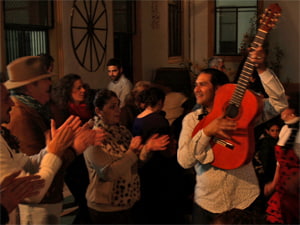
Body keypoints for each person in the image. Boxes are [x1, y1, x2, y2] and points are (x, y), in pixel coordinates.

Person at [177, 46, 288, 224]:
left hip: (245, 199)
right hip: (207, 204)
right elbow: (184, 161)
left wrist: (262, 69)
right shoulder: (191, 120)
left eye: (203, 84)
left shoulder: (246, 113)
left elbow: (280, 103)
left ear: (219, 89)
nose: (196, 89)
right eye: (196, 84)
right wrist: (207, 132)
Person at [2, 56, 105, 225]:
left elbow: (39, 156)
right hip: (38, 205)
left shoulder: (36, 109)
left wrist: (66, 143)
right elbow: (33, 178)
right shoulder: (21, 115)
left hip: (47, 198)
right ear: (30, 87)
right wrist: (72, 149)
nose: (50, 84)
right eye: (45, 79)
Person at [0, 82, 84, 224]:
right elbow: (33, 192)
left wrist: (51, 148)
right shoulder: (23, 115)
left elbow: (27, 163)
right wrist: (55, 153)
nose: (12, 104)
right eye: (5, 99)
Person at [83, 89, 170, 224]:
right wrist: (132, 153)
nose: (118, 110)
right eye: (112, 107)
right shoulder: (93, 137)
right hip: (106, 207)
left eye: (118, 105)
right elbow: (109, 173)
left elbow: (135, 164)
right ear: (99, 111)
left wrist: (147, 148)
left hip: (128, 201)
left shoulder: (122, 131)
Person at [51, 73, 94, 224]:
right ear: (67, 91)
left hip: (88, 160)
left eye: (83, 87)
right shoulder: (64, 112)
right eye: (78, 88)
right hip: (74, 164)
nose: (83, 90)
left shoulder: (86, 109)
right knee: (84, 202)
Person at [265, 92, 300, 224]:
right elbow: (279, 163)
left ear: (292, 111)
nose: (280, 109)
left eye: (284, 106)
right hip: (283, 184)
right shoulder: (285, 128)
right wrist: (274, 183)